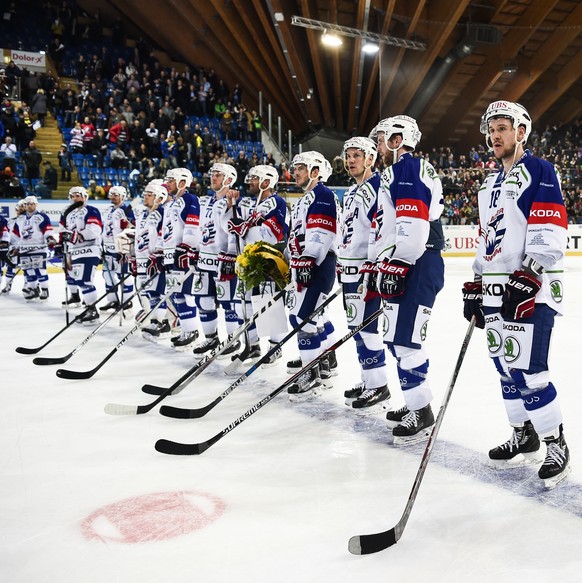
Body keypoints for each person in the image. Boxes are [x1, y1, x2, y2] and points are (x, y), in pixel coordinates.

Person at [462, 101, 570, 489]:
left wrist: (532, 271)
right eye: (492, 129)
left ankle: (557, 444)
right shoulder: (489, 184)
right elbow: (487, 238)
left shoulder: (538, 170)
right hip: (496, 290)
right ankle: (524, 433)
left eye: (504, 128)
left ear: (521, 132)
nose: (496, 135)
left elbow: (549, 222)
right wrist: (476, 281)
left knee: (530, 371)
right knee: (505, 369)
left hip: (531, 290)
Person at [367, 115, 445, 444]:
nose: (378, 147)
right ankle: (415, 399)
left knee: (406, 340)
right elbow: (391, 228)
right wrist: (382, 263)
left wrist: (396, 263)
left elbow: (412, 228)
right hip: (408, 261)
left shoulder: (407, 168)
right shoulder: (398, 171)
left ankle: (421, 409)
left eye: (381, 139)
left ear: (398, 139)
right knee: (397, 338)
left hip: (417, 262)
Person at [337, 137, 390, 414]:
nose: (351, 160)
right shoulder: (349, 192)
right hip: (348, 270)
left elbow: (379, 231)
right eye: (349, 156)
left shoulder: (378, 186)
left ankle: (378, 384)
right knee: (355, 328)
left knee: (367, 329)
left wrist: (374, 264)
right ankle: (368, 378)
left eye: (357, 155)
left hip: (365, 271)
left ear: (371, 158)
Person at [286, 151, 340, 399]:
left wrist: (307, 259)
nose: (294, 172)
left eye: (300, 168)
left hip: (318, 264)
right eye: (294, 168)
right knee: (317, 316)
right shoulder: (306, 198)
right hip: (308, 265)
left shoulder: (323, 195)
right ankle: (326, 361)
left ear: (315, 171)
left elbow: (321, 232)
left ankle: (311, 372)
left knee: (304, 318)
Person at [225, 164, 289, 365]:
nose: (250, 181)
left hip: (269, 261)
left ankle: (275, 347)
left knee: (270, 305)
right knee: (243, 305)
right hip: (249, 260)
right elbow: (231, 225)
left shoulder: (276, 202)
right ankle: (251, 345)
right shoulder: (254, 204)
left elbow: (273, 233)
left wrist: (245, 229)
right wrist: (232, 210)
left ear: (266, 182)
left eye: (254, 178)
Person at [189, 163, 243, 357]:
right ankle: (211, 338)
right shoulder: (204, 201)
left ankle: (232, 339)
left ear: (229, 179)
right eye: (212, 174)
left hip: (223, 261)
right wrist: (193, 249)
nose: (213, 178)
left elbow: (235, 230)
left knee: (229, 302)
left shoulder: (235, 200)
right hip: (204, 261)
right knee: (202, 300)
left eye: (218, 175)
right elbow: (198, 229)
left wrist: (230, 254)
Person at [155, 167, 200, 350]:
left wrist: (186, 247)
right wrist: (160, 251)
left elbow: (193, 226)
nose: (168, 184)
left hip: (182, 255)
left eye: (171, 180)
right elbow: (165, 230)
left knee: (186, 294)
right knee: (176, 294)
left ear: (182, 182)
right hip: (170, 255)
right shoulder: (171, 204)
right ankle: (185, 330)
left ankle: (192, 331)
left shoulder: (190, 199)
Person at [59, 186, 103, 323]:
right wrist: (61, 241)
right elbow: (62, 231)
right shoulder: (67, 213)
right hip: (74, 251)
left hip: (90, 250)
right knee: (79, 281)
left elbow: (94, 230)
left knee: (85, 281)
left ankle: (93, 310)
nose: (76, 198)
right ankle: (89, 309)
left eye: (78, 195)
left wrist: (76, 235)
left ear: (85, 197)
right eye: (73, 196)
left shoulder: (91, 210)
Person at [12, 195, 56, 301]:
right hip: (24, 249)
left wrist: (49, 238)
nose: (30, 206)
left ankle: (45, 289)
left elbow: (48, 230)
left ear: (36, 204)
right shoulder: (20, 219)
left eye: (32, 204)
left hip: (38, 248)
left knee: (40, 271)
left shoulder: (41, 217)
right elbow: (17, 236)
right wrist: (16, 247)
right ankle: (32, 290)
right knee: (28, 271)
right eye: (27, 204)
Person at [100, 185, 136, 314]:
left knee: (124, 276)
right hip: (108, 247)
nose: (113, 197)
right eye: (112, 194)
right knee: (107, 275)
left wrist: (128, 225)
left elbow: (133, 228)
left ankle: (127, 301)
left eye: (116, 195)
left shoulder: (127, 210)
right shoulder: (108, 210)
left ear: (122, 196)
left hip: (121, 248)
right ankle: (113, 300)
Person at [1, 199, 26, 293]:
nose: (19, 210)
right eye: (18, 208)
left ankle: (29, 286)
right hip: (12, 247)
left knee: (27, 269)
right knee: (10, 268)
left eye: (22, 207)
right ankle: (8, 286)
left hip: (24, 247)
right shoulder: (10, 221)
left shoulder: (28, 220)